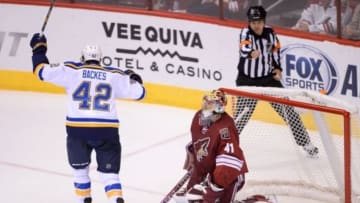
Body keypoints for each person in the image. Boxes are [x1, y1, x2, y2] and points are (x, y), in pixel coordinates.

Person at [30, 33, 146, 203]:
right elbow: (140, 93)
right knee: (110, 176)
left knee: (80, 172)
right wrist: (134, 77)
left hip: (78, 131)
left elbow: (41, 72)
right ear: (101, 59)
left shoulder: (71, 70)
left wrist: (38, 49)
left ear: (83, 57)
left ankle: (83, 200)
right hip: (107, 131)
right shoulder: (114, 74)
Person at [235, 6, 319, 157]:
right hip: (247, 81)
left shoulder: (270, 33)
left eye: (259, 22)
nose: (256, 25)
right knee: (242, 115)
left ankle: (306, 143)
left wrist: (278, 69)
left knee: (288, 112)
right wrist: (250, 53)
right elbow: (244, 49)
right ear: (249, 22)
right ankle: (226, 144)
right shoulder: (245, 32)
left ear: (263, 21)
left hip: (268, 79)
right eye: (253, 22)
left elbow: (276, 52)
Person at [173, 89, 249, 203]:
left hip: (228, 177)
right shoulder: (198, 117)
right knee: (191, 198)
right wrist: (193, 183)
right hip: (209, 171)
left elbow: (229, 163)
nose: (205, 106)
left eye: (210, 103)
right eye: (206, 102)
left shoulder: (226, 128)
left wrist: (213, 190)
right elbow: (200, 146)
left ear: (219, 107)